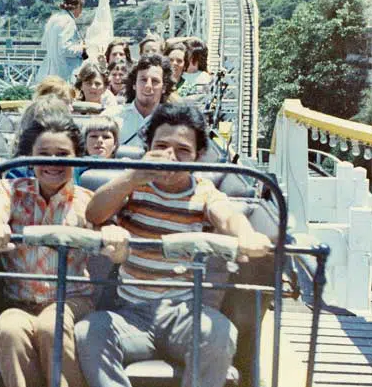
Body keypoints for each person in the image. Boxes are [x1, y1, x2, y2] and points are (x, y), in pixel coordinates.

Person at [75, 103, 270, 387]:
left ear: (198, 156)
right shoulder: (132, 185)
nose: (171, 157)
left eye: (182, 151)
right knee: (87, 333)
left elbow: (228, 217)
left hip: (184, 314)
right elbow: (94, 213)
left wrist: (247, 236)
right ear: (148, 147)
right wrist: (135, 176)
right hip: (130, 312)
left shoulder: (203, 191)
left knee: (219, 333)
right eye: (162, 146)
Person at [0, 112, 126, 387]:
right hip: (20, 302)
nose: (53, 162)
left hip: (72, 299)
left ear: (75, 157)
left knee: (51, 325)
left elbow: (111, 240)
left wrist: (112, 236)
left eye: (62, 154)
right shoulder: (10, 190)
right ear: (31, 157)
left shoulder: (87, 202)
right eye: (44, 153)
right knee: (8, 329)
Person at [102, 55, 176, 147]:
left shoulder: (173, 123)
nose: (148, 86)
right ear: (134, 84)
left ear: (164, 87)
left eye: (155, 81)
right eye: (143, 80)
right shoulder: (111, 117)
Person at [35, 0, 86, 83]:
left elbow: (44, 44)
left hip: (46, 74)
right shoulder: (68, 21)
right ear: (78, 6)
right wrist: (83, 49)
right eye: (82, 7)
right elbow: (65, 49)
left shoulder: (54, 18)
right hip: (61, 75)